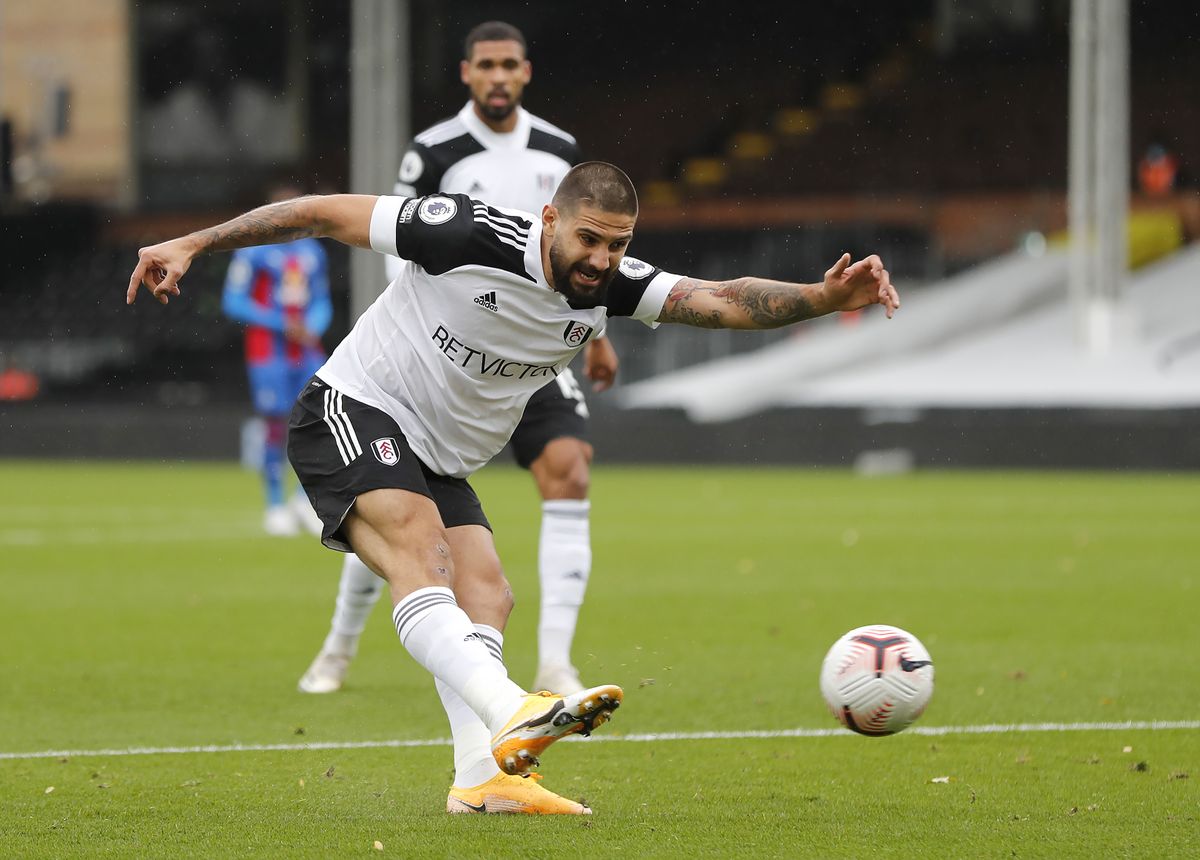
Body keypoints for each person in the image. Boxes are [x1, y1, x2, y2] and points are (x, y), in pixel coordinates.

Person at [127, 161, 899, 814]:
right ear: (550, 218)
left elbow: (725, 299)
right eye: (588, 239)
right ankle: (512, 710)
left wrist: (825, 298)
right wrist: (195, 241)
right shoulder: (463, 231)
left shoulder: (609, 287)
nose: (601, 259)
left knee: (488, 595)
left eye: (618, 244)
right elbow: (325, 213)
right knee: (421, 558)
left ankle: (481, 779)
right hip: (353, 406)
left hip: (439, 454)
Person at [298, 21, 615, 696]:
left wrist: (599, 336)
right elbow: (401, 238)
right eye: (486, 65)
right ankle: (340, 643)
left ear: (526, 72)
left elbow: (587, 260)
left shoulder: (560, 150)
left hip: (533, 353)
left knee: (570, 470)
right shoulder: (435, 150)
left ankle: (556, 665)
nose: (499, 76)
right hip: (446, 353)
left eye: (510, 65)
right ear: (466, 74)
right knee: (402, 507)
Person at [221, 185, 331, 536]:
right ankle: (274, 504)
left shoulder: (313, 252)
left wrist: (312, 325)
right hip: (268, 352)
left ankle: (303, 498)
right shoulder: (252, 252)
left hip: (307, 350)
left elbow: (322, 301)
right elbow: (232, 301)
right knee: (273, 425)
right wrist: (281, 323)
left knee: (322, 420)